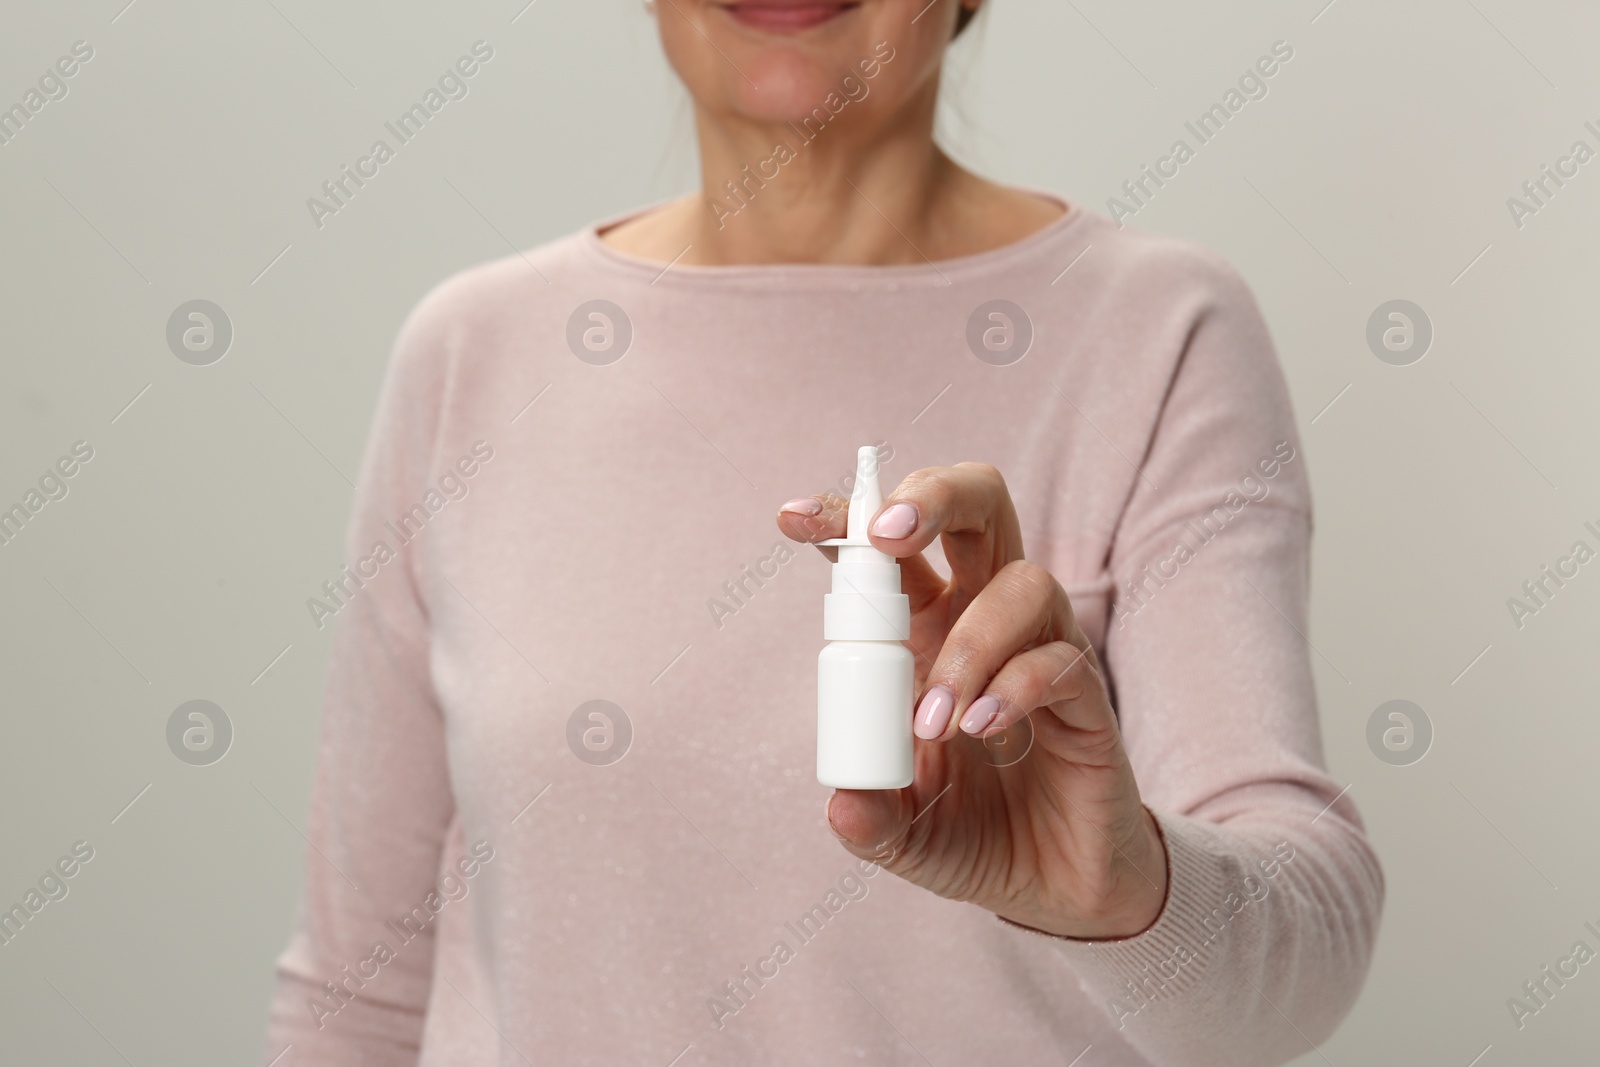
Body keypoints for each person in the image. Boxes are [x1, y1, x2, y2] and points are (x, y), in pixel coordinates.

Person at [265, 2, 1383, 1064]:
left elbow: (1305, 965)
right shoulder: (474, 354)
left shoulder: (1157, 330)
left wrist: (1129, 892)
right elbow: (356, 993)